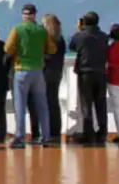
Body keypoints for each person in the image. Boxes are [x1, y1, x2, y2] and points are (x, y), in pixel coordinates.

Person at [4, 3, 57, 148]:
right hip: (38, 71)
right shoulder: (41, 30)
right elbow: (52, 49)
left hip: (21, 70)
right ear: (35, 15)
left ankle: (19, 137)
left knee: (20, 105)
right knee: (42, 105)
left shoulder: (17, 29)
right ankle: (46, 137)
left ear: (23, 15)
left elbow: (7, 48)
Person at [69, 11, 110, 146]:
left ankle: (89, 133)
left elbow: (72, 47)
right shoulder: (104, 36)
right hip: (101, 73)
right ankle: (103, 133)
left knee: (86, 105)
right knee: (101, 104)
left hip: (85, 74)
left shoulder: (79, 36)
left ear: (84, 23)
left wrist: (79, 30)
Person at [35, 13, 65, 142]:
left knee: (44, 103)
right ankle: (55, 131)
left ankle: (45, 132)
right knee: (54, 102)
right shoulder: (60, 39)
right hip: (57, 73)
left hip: (45, 73)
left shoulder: (45, 40)